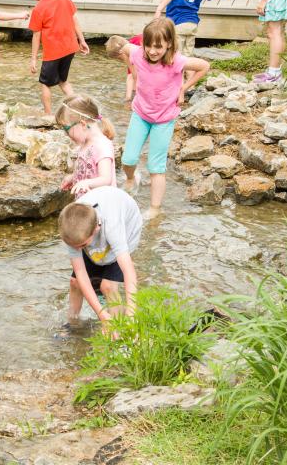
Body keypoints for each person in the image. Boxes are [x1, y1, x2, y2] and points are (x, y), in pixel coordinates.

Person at [121, 18, 210, 219]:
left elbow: (204, 66)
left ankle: (154, 208)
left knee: (156, 166)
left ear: (169, 44)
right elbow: (123, 49)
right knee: (128, 158)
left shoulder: (177, 61)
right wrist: (133, 72)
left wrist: (183, 88)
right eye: (149, 45)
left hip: (164, 118)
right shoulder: (137, 52)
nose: (152, 51)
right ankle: (130, 177)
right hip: (141, 114)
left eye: (158, 47)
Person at [58, 187, 142, 327]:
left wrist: (132, 315)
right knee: (75, 282)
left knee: (108, 286)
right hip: (89, 231)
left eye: (82, 245)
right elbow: (80, 273)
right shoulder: (70, 229)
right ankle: (72, 324)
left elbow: (129, 272)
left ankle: (118, 327)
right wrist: (101, 314)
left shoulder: (112, 227)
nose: (77, 249)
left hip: (127, 231)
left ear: (96, 229)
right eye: (75, 246)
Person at [22, 0, 89, 115]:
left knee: (45, 84)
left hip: (54, 52)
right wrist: (82, 40)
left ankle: (48, 116)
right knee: (63, 81)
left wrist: (33, 59)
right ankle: (80, 110)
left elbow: (36, 35)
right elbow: (74, 20)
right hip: (71, 47)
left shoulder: (39, 8)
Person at [55, 94, 117, 199]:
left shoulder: (102, 146)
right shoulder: (85, 143)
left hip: (102, 204)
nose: (66, 134)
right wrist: (73, 178)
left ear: (83, 124)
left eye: (66, 128)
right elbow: (85, 169)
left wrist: (86, 183)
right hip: (87, 202)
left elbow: (106, 179)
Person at [105, 34, 142, 106]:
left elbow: (135, 75)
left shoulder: (127, 51)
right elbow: (131, 74)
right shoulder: (131, 42)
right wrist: (128, 97)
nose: (122, 60)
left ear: (120, 53)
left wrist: (136, 96)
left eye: (119, 58)